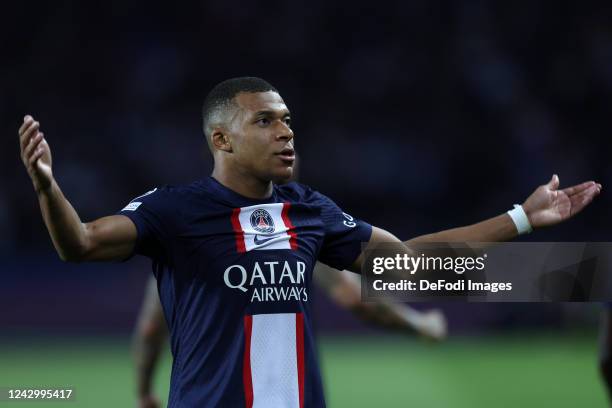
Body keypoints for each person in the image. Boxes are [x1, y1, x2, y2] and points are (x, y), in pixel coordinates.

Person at [19, 77, 601, 407]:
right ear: (222, 138)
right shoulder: (175, 209)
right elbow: (82, 244)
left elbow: (406, 262)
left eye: (288, 120)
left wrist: (521, 218)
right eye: (267, 121)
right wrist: (48, 188)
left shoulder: (309, 210)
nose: (287, 132)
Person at [134, 268, 447, 408]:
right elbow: (353, 297)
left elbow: (150, 328)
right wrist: (418, 324)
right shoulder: (294, 224)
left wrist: (145, 392)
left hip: (201, 397)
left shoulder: (180, 224)